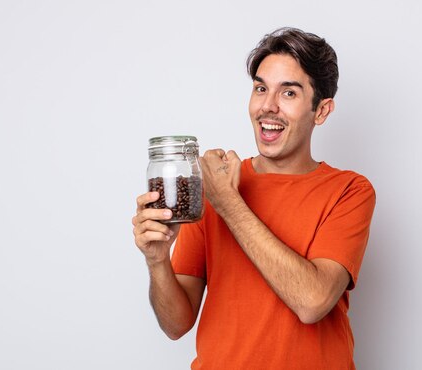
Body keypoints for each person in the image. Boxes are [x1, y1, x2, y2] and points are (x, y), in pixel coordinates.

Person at [132, 27, 376, 369]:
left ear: (321, 111)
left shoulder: (349, 190)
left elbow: (312, 301)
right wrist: (157, 260)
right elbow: (176, 325)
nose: (267, 106)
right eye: (261, 88)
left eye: (288, 93)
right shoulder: (215, 184)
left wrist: (229, 204)